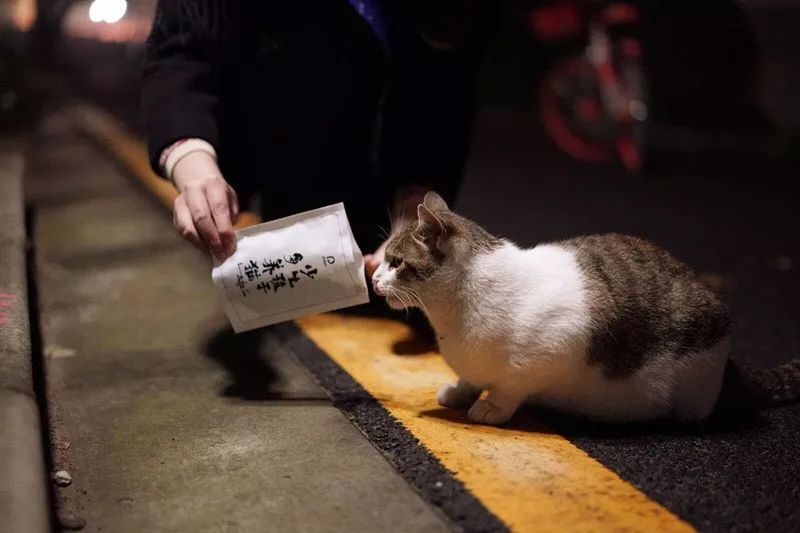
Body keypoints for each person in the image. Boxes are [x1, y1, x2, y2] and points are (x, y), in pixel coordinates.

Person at [142, 1, 496, 277]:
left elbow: (448, 67)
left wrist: (417, 197)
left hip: (391, 172)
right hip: (281, 183)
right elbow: (182, 47)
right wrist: (194, 165)